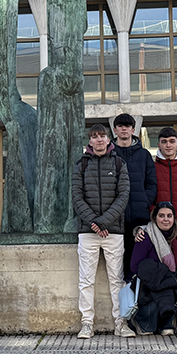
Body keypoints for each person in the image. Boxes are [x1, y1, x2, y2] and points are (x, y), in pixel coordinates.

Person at [71, 124, 132, 340]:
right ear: (89, 141)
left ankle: (121, 323)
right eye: (94, 136)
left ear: (109, 139)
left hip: (113, 231)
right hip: (88, 233)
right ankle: (87, 323)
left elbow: (123, 195)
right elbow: (77, 198)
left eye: (102, 136)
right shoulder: (81, 165)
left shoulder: (118, 163)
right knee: (86, 280)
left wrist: (104, 222)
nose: (98, 140)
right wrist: (94, 223)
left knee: (117, 280)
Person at [128, 203, 177, 336]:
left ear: (174, 219)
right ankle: (143, 323)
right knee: (150, 320)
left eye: (169, 216)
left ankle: (166, 323)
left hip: (169, 282)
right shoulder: (145, 236)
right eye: (161, 216)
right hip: (150, 284)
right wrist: (158, 274)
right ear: (155, 218)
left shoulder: (176, 237)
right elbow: (135, 266)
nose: (166, 219)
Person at [112, 113, 157, 279]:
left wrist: (145, 201)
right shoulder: (109, 153)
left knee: (137, 260)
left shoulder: (144, 154)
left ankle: (136, 299)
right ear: (115, 130)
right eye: (120, 126)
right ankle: (120, 300)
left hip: (139, 217)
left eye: (128, 126)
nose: (124, 129)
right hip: (116, 217)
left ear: (133, 130)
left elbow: (152, 182)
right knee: (117, 262)